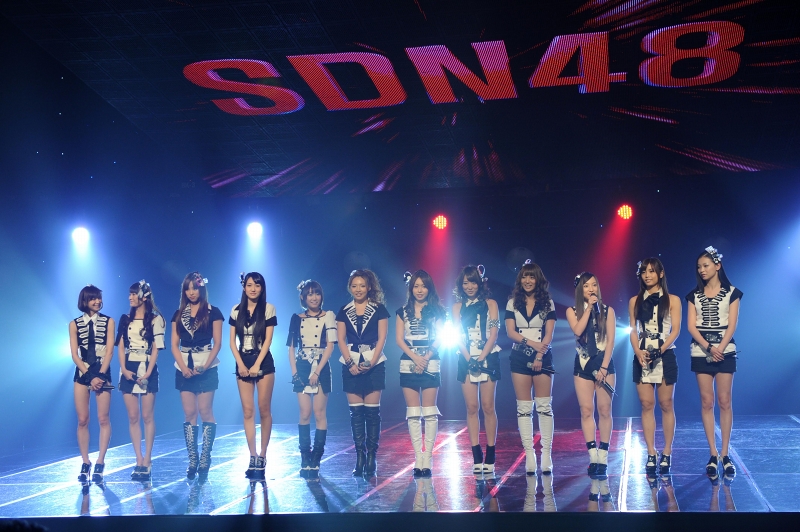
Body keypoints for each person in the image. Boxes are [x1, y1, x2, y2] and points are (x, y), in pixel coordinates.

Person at [686, 246, 742, 478]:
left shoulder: (732, 293)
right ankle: (712, 453)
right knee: (707, 401)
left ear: (717, 265)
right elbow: (691, 326)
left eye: (706, 265)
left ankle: (725, 454)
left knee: (724, 401)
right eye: (699, 267)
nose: (702, 270)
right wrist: (709, 347)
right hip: (701, 350)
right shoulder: (693, 295)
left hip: (725, 350)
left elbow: (732, 324)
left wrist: (720, 348)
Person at [628, 259, 681, 476]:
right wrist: (637, 351)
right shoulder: (634, 301)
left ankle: (667, 451)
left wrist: (660, 349)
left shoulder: (673, 300)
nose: (647, 275)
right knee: (646, 404)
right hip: (642, 354)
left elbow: (675, 330)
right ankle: (651, 452)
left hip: (665, 353)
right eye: (643, 272)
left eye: (651, 271)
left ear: (660, 273)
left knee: (666, 404)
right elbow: (633, 329)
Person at [504, 261, 556, 475]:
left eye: (531, 277)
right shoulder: (512, 303)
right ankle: (530, 456)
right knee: (524, 409)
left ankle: (546, 455)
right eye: (524, 276)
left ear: (538, 279)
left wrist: (539, 354)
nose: (527, 280)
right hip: (519, 356)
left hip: (543, 357)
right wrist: (531, 344)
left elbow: (549, 334)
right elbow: (510, 332)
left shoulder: (548, 303)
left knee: (544, 407)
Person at [336, 269, 390, 476]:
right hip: (351, 363)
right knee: (356, 414)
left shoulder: (379, 309)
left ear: (369, 287)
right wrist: (350, 363)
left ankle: (371, 458)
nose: (358, 289)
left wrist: (372, 362)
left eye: (362, 285)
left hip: (374, 362)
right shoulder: (344, 310)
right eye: (354, 286)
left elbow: (382, 338)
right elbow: (341, 339)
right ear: (350, 288)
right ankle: (359, 456)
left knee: (372, 413)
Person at [171, 272, 224, 480]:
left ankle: (205, 457)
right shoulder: (179, 314)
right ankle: (193, 458)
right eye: (188, 288)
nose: (191, 292)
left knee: (205, 411)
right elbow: (174, 345)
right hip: (184, 366)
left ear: (201, 288)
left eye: (195, 288)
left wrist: (205, 366)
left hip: (206, 366)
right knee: (189, 413)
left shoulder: (213, 312)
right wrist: (184, 367)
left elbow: (217, 343)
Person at [395, 270, 446, 477]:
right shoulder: (402, 311)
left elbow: (440, 337)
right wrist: (415, 358)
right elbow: (399, 339)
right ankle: (418, 457)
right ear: (411, 288)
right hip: (409, 361)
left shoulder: (438, 311)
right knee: (413, 412)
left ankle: (428, 457)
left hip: (430, 360)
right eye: (416, 286)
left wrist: (425, 357)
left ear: (429, 288)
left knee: (430, 411)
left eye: (423, 286)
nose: (419, 290)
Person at [453, 264, 501, 475]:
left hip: (488, 356)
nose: (469, 286)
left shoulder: (491, 304)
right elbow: (457, 335)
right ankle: (476, 454)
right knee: (472, 407)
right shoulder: (457, 307)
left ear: (480, 283)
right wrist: (469, 358)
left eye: (473, 282)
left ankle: (491, 453)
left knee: (488, 406)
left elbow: (494, 333)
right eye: (466, 283)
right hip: (466, 357)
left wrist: (481, 358)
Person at [567, 272, 616, 477]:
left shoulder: (608, 311)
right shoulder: (572, 311)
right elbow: (578, 331)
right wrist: (588, 308)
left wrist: (604, 368)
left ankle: (603, 456)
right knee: (586, 410)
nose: (591, 289)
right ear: (580, 289)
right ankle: (593, 456)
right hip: (583, 363)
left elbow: (611, 341)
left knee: (604, 409)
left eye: (594, 285)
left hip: (603, 363)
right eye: (586, 286)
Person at [229, 272, 277, 480]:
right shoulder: (236, 310)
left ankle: (263, 455)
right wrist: (241, 364)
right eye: (249, 285)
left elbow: (268, 341)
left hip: (263, 360)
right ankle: (252, 456)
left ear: (262, 288)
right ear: (244, 287)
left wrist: (257, 364)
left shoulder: (268, 308)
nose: (253, 289)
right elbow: (232, 342)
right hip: (243, 360)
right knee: (248, 411)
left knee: (264, 408)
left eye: (257, 285)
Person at [287, 280, 336, 479]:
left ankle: (316, 457)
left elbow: (330, 346)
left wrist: (317, 372)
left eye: (317, 293)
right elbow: (291, 348)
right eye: (309, 294)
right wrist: (294, 373)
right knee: (305, 412)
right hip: (302, 366)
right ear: (303, 297)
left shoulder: (329, 315)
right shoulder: (296, 318)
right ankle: (304, 457)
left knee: (319, 412)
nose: (314, 297)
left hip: (321, 367)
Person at [117, 280, 165, 481]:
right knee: (133, 416)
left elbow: (156, 348)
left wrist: (148, 372)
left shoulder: (155, 319)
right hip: (128, 367)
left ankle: (147, 459)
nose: (130, 297)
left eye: (133, 293)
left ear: (144, 296)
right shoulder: (125, 319)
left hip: (147, 367)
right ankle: (138, 458)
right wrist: (124, 369)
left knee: (147, 416)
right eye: (129, 294)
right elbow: (120, 346)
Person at [69, 285, 115, 484]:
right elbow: (74, 354)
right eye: (93, 298)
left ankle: (100, 462)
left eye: (99, 298)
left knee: (103, 418)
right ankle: (85, 461)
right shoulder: (74, 324)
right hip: (83, 373)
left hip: (102, 372)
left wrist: (100, 376)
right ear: (85, 301)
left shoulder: (109, 321)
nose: (97, 301)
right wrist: (89, 376)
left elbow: (110, 351)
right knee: (82, 420)